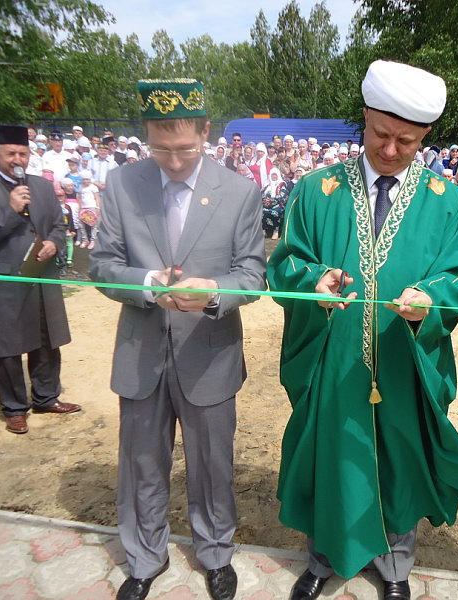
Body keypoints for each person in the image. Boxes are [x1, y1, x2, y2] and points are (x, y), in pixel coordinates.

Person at [267, 60, 458, 600]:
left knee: (399, 456)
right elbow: (285, 265)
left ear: (426, 136)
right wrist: (314, 282)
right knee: (333, 454)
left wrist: (431, 301)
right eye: (380, 134)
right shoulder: (315, 189)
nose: (390, 150)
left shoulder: (446, 201)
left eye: (407, 141)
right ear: (364, 118)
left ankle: (394, 564)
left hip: (403, 359)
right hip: (334, 358)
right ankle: (324, 557)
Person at [89, 79, 266, 600]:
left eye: (185, 148)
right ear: (145, 135)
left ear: (206, 133)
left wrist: (214, 293)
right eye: (160, 148)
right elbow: (102, 265)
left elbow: (252, 276)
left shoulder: (239, 192)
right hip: (142, 351)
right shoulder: (122, 185)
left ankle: (215, 553)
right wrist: (146, 286)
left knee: (213, 463)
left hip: (208, 353)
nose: (173, 160)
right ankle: (145, 556)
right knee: (142, 461)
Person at [0, 125, 80, 435]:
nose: (18, 159)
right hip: (4, 280)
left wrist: (55, 242)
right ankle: (15, 407)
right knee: (8, 345)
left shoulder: (42, 187)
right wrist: (10, 209)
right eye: (11, 153)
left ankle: (46, 397)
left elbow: (58, 224)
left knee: (46, 339)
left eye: (24, 153)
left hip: (41, 277)